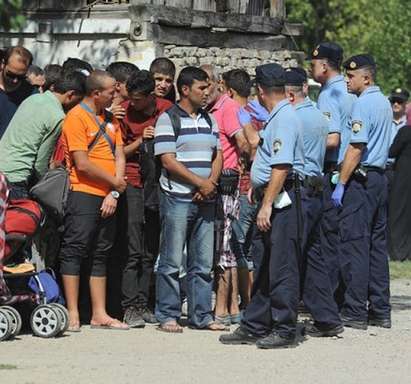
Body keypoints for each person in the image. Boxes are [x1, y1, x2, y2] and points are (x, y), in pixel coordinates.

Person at [220, 63, 306, 349]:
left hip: (282, 201)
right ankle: (256, 323)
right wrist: (260, 192)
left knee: (281, 265)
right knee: (265, 261)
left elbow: (282, 166)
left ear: (260, 90)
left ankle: (284, 328)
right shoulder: (277, 116)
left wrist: (268, 203)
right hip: (271, 196)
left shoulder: (284, 119)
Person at [154, 66, 224, 333]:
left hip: (206, 199)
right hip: (178, 198)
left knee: (203, 262)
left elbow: (217, 154)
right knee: (172, 260)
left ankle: (201, 315)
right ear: (185, 90)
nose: (207, 93)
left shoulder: (209, 119)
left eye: (208, 88)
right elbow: (168, 160)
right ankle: (167, 314)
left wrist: (211, 184)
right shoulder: (167, 119)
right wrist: (200, 183)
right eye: (201, 88)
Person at [59, 70, 128, 332]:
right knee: (75, 249)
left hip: (109, 195)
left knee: (101, 252)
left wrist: (114, 192)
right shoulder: (76, 117)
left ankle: (100, 313)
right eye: (112, 91)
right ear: (96, 93)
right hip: (83, 192)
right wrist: (114, 183)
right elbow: (82, 164)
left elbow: (119, 154)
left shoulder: (110, 119)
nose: (116, 94)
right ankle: (73, 311)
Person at [332, 54, 392, 329]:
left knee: (354, 244)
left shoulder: (362, 104)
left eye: (351, 76)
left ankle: (354, 309)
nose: (347, 79)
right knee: (377, 247)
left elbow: (356, 147)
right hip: (379, 178)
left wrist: (341, 183)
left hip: (361, 179)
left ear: (366, 78)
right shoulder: (383, 102)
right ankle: (380, 309)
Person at [285, 67, 343, 337]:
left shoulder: (292, 118)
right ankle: (327, 318)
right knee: (313, 257)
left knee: (290, 255)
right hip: (317, 189)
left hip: (300, 192)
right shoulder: (319, 117)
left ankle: (283, 319)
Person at [119, 70, 172, 327]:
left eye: (138, 99)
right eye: (130, 98)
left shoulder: (167, 110)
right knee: (133, 247)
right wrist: (141, 140)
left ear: (151, 96)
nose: (133, 104)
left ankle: (145, 301)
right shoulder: (122, 112)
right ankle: (130, 307)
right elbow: (118, 151)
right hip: (131, 182)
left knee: (151, 247)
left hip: (157, 185)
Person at [202, 65, 249, 326]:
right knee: (223, 247)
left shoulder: (227, 107)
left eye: (208, 83)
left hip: (227, 186)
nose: (205, 89)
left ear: (219, 83)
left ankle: (222, 307)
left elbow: (242, 141)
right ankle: (231, 307)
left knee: (224, 248)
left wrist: (240, 169)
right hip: (212, 184)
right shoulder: (207, 110)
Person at [309, 42, 355, 296]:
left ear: (324, 66)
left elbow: (332, 138)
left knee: (328, 237)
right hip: (350, 170)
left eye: (314, 63)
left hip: (332, 168)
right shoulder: (351, 90)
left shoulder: (328, 94)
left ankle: (327, 298)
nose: (311, 67)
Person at [0, 70, 87, 199]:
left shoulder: (32, 98)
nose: (77, 105)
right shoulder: (58, 116)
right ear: (71, 94)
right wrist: (45, 185)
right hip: (16, 179)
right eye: (78, 100)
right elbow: (40, 163)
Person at [222, 69, 256, 309]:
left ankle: (244, 301)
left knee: (237, 246)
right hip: (262, 187)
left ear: (229, 91)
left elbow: (248, 147)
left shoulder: (237, 114)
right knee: (250, 248)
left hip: (243, 187)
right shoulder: (261, 112)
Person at [0, 46, 35, 138]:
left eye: (20, 77)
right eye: (11, 75)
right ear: (3, 64)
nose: (15, 80)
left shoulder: (31, 94)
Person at [388, 124, 411, 261]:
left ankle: (398, 252)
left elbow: (392, 151)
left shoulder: (405, 131)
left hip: (403, 176)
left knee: (397, 213)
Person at [386, 88, 409, 190]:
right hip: (384, 169)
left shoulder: (408, 126)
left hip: (402, 172)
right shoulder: (384, 122)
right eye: (393, 101)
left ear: (406, 104)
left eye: (399, 101)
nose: (395, 104)